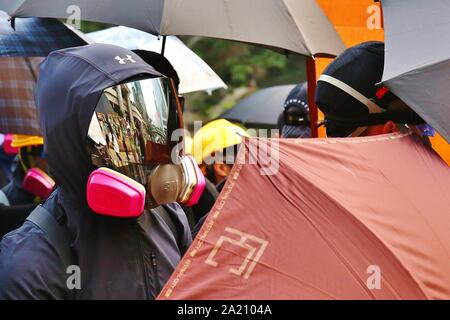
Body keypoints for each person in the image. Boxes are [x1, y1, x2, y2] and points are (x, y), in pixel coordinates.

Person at [0, 44, 194, 299]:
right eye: (120, 133)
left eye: (150, 126)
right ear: (71, 139)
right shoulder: (30, 263)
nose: (149, 147)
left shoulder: (170, 216)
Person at [315, 41, 425, 138]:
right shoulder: (423, 158)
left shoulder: (322, 156)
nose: (423, 135)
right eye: (423, 129)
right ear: (390, 130)